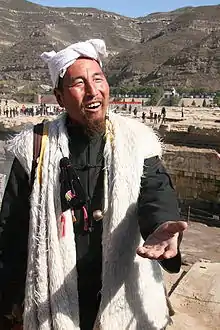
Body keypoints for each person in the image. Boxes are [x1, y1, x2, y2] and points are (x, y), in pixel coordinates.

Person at [0, 39, 187, 330]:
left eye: (98, 79)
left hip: (119, 293)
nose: (92, 90)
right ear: (59, 97)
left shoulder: (137, 140)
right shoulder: (34, 148)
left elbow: (156, 191)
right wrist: (8, 305)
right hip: (54, 298)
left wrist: (162, 225)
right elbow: (12, 232)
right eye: (78, 82)